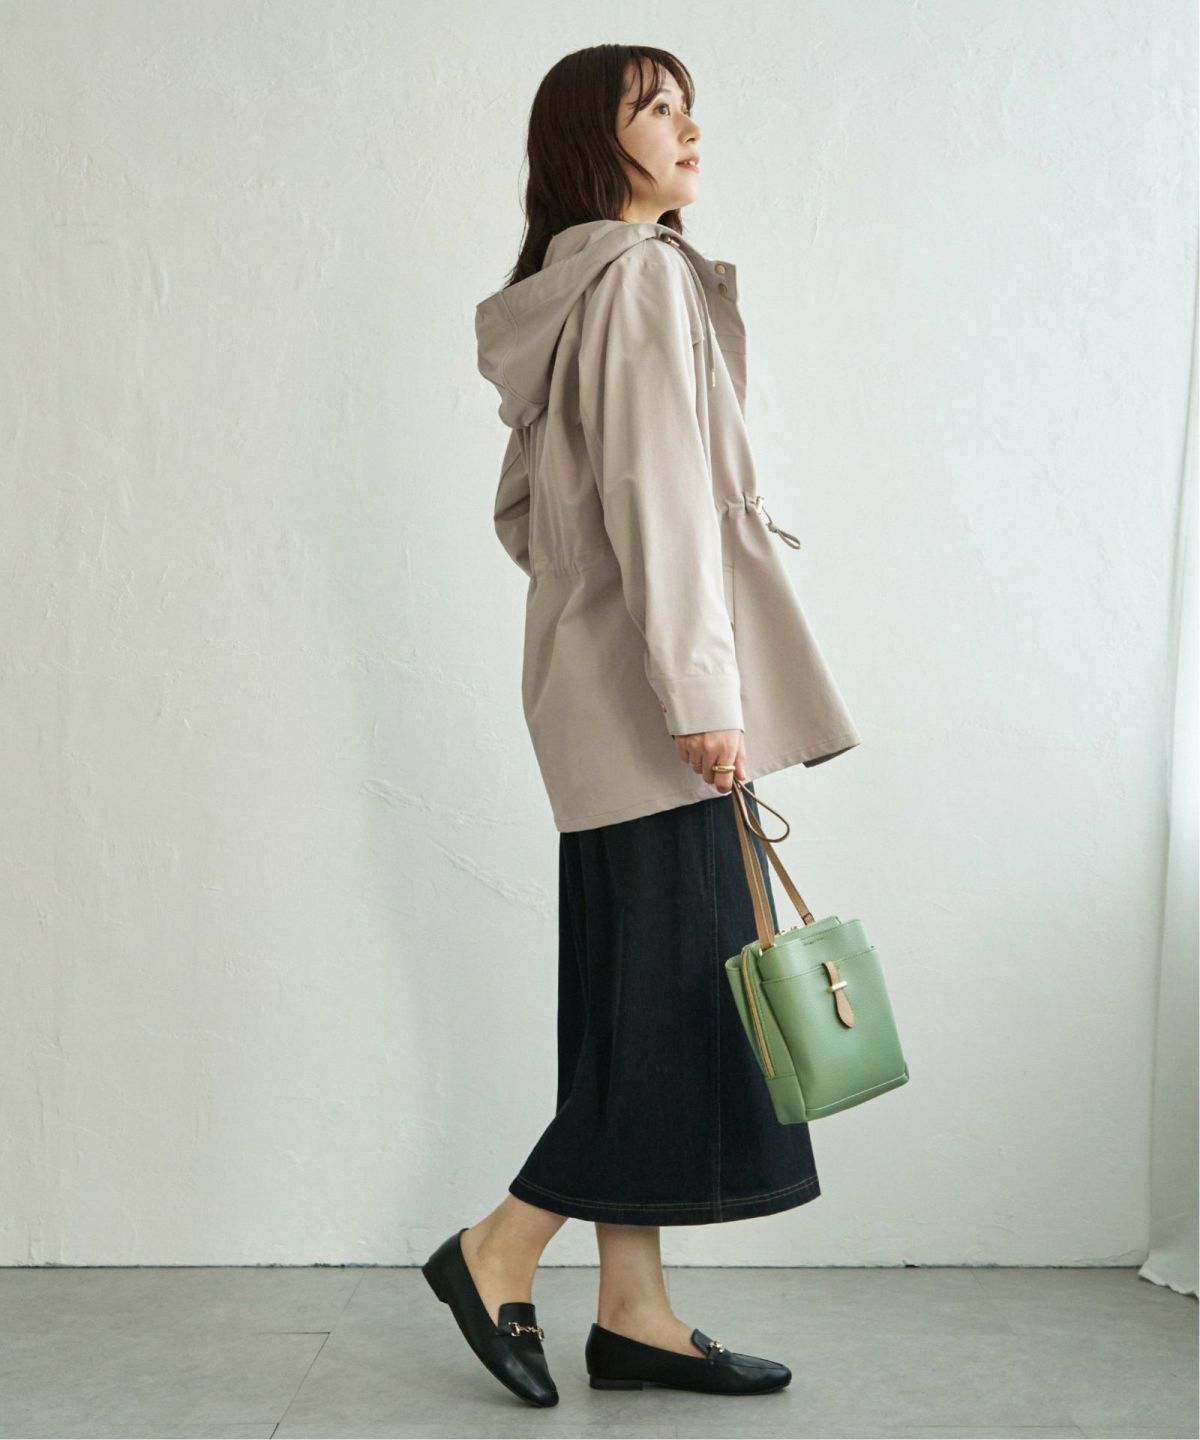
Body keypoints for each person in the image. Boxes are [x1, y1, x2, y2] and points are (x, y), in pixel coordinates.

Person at [423, 44, 862, 1407]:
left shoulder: (564, 296)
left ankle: (634, 1313)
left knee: (632, 1008)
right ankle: (499, 1247)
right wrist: (701, 695)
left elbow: (527, 514)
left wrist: (595, 617)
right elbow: (664, 504)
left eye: (687, 105)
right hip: (659, 712)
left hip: (594, 700)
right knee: (674, 1016)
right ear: (593, 141)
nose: (689, 129)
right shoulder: (641, 279)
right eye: (655, 108)